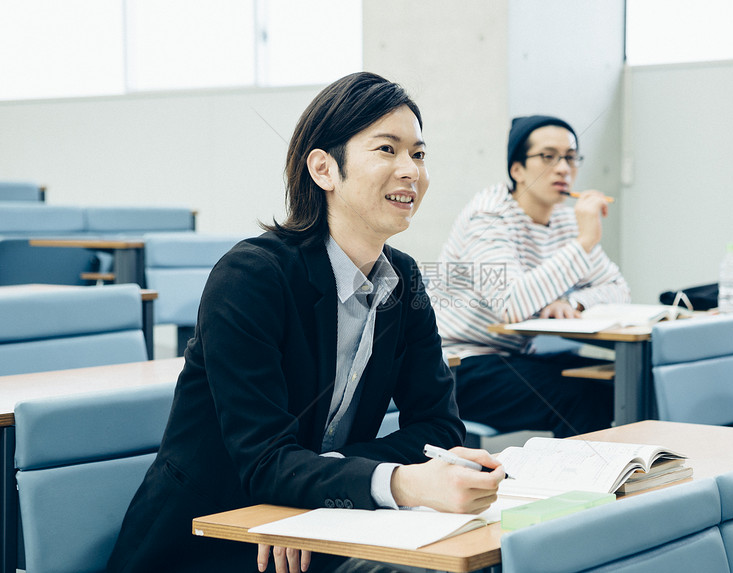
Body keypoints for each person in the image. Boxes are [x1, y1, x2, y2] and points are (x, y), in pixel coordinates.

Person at [107, 72, 504, 573]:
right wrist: (400, 481)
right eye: (387, 149)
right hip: (210, 542)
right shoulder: (251, 276)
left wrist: (323, 480)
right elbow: (263, 462)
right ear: (324, 169)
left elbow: (440, 427)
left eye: (419, 154)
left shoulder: (403, 278)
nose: (411, 171)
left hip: (323, 531)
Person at [429, 115, 631, 438]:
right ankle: (587, 485)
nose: (564, 168)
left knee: (625, 384)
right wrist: (584, 243)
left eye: (570, 157)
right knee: (579, 395)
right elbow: (511, 303)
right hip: (460, 366)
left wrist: (573, 301)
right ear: (517, 169)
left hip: (521, 357)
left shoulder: (565, 220)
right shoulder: (489, 217)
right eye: (548, 157)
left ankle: (642, 480)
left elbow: (618, 289)